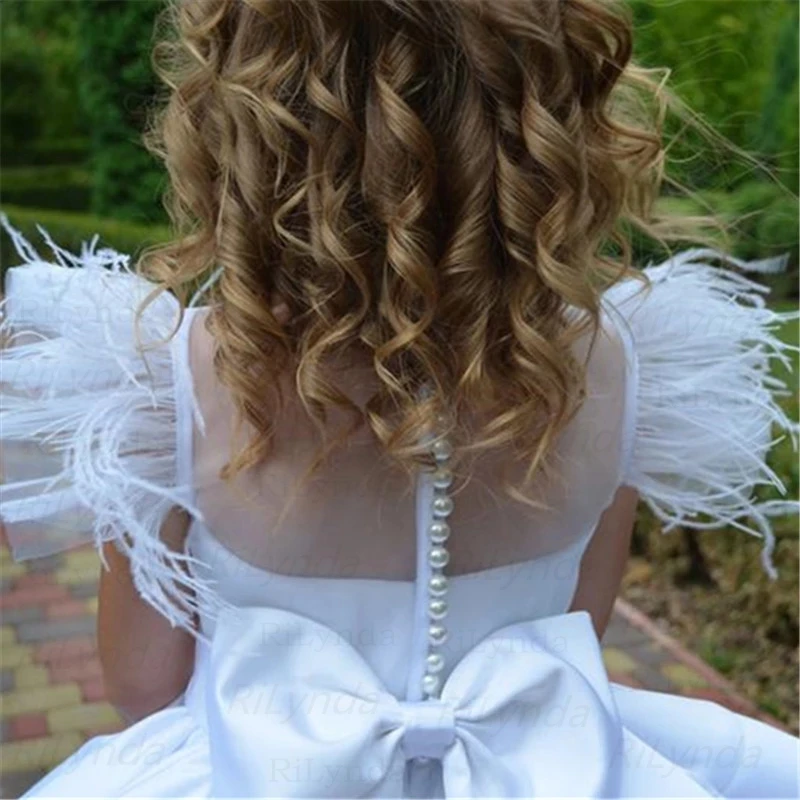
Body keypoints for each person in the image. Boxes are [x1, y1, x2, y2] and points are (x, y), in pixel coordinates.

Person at [1, 0, 798, 797]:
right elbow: (576, 630)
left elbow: (144, 685)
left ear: (244, 117)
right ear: (553, 111)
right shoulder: (622, 367)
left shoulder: (165, 384)